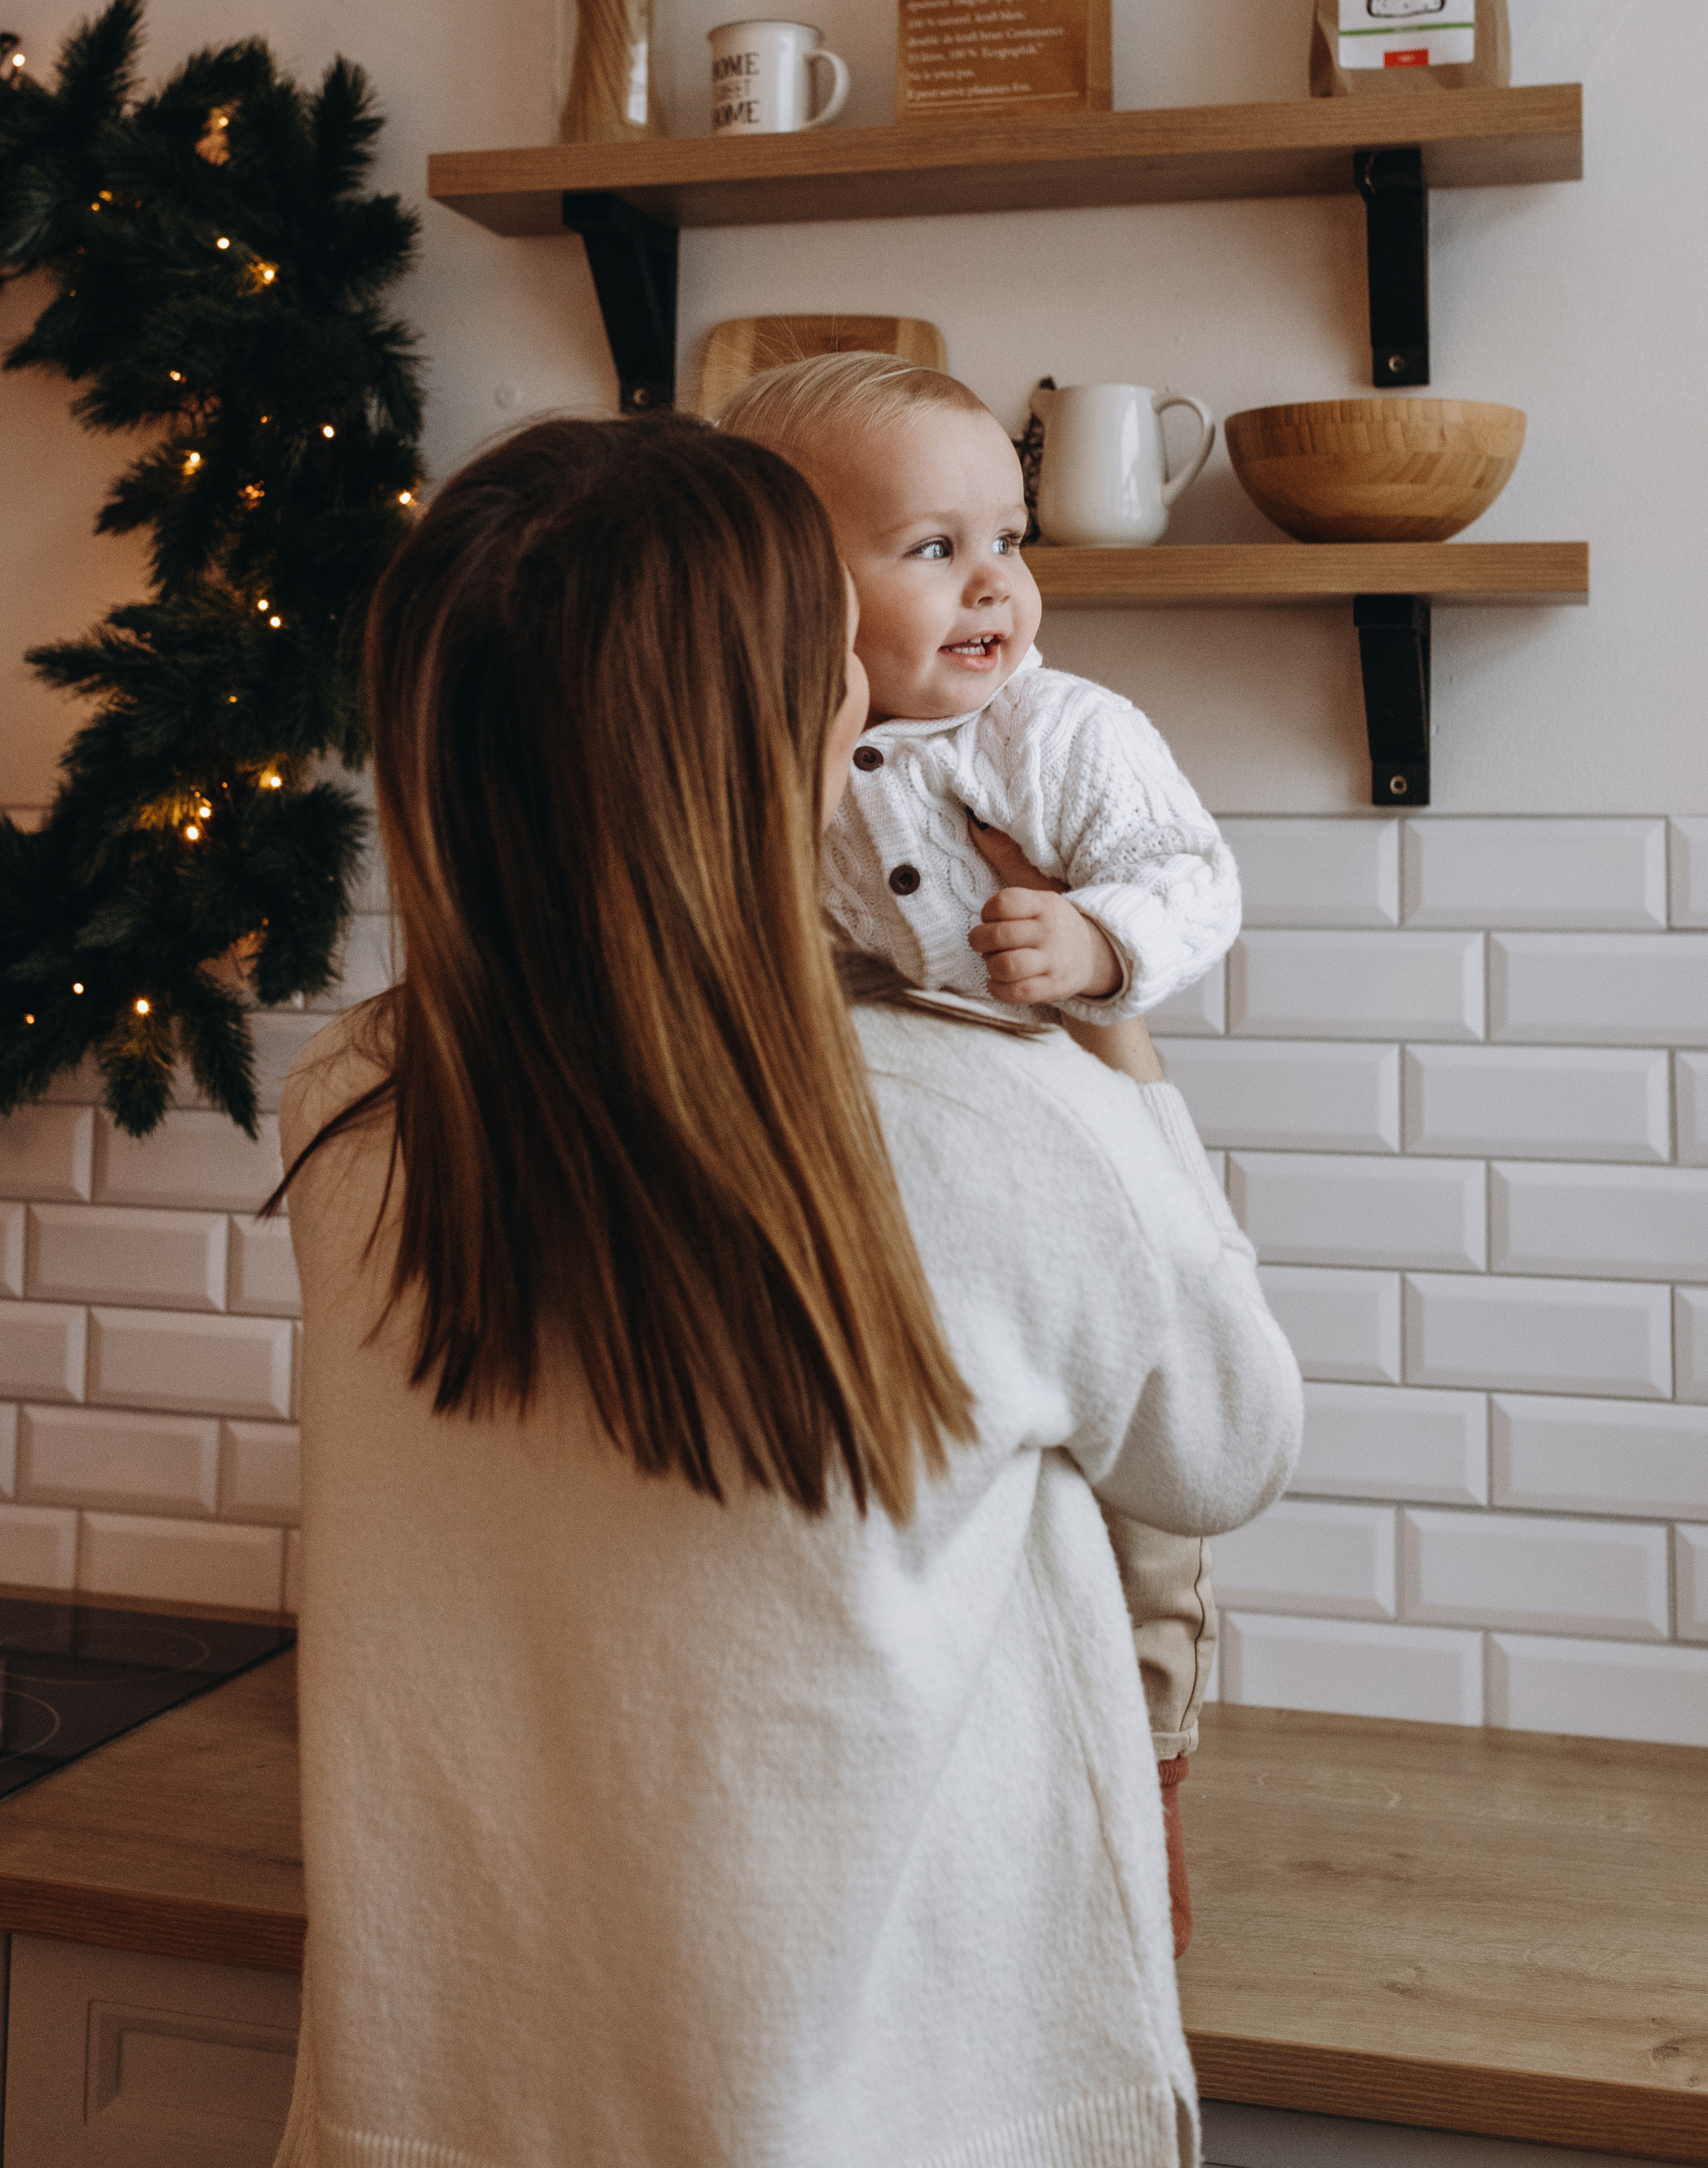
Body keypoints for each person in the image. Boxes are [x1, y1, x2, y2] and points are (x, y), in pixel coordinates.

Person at [270, 413, 1302, 2168]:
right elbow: (1229, 1445)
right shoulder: (996, 1115)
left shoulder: (359, 1114)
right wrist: (1109, 1026)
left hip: (446, 2107)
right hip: (898, 2113)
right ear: (800, 728)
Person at [718, 353, 1239, 1947]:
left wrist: (1090, 943)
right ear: (787, 588)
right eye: (929, 546)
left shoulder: (1059, 732)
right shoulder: (763, 763)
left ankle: (1145, 1767)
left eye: (1005, 537)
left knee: (1141, 1500)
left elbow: (1192, 875)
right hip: (907, 1195)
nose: (993, 581)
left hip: (1089, 1164)